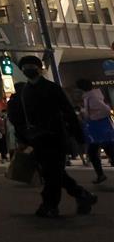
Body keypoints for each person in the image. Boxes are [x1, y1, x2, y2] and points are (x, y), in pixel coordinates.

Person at [7, 56, 97, 218]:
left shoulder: (52, 88)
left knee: (52, 172)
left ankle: (50, 204)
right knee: (53, 172)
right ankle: (82, 195)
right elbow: (20, 118)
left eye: (31, 66)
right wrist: (23, 138)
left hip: (55, 136)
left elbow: (68, 111)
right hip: (37, 139)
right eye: (25, 66)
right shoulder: (24, 91)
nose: (28, 69)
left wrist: (78, 135)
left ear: (39, 68)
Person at [77, 79, 113, 183]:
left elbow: (106, 110)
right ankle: (100, 175)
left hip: (99, 130)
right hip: (100, 129)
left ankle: (100, 175)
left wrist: (91, 117)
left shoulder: (92, 96)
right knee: (107, 151)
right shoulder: (93, 95)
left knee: (95, 152)